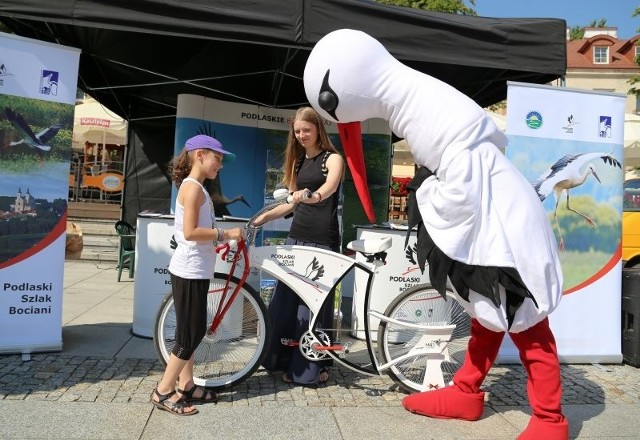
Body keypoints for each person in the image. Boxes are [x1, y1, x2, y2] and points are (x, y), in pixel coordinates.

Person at [303, 29, 568, 439]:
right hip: (492, 210)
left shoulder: (428, 114)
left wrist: (425, 193)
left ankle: (550, 419)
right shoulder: (418, 102)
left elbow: (461, 182)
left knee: (524, 316)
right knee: (487, 315)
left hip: (501, 220)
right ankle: (465, 391)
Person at [151, 134, 245, 416]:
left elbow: (193, 233)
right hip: (189, 270)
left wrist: (216, 241)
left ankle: (187, 384)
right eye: (217, 158)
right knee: (190, 334)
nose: (221, 165)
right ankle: (163, 392)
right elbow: (191, 232)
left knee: (187, 331)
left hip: (195, 269)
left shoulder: (197, 189)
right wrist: (226, 233)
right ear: (200, 155)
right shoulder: (193, 189)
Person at [252, 106, 345, 386]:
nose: (302, 135)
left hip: (323, 240)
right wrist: (261, 218)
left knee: (312, 306)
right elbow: (289, 203)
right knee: (285, 301)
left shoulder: (333, 158)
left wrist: (313, 195)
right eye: (297, 131)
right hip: (296, 238)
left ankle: (311, 369)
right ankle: (279, 359)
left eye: (307, 129)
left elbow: (328, 188)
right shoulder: (297, 162)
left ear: (318, 129)